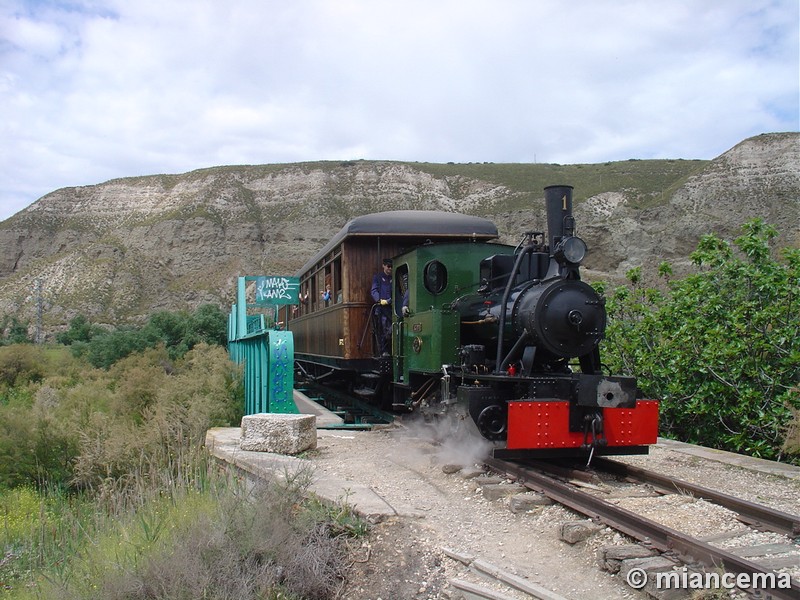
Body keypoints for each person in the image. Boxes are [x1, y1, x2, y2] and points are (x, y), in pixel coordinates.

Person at [371, 258, 393, 355]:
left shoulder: (393, 277)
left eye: (392, 266)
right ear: (383, 266)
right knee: (383, 328)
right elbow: (374, 290)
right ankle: (384, 350)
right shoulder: (378, 277)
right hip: (381, 308)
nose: (390, 268)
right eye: (388, 266)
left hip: (392, 307)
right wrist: (379, 300)